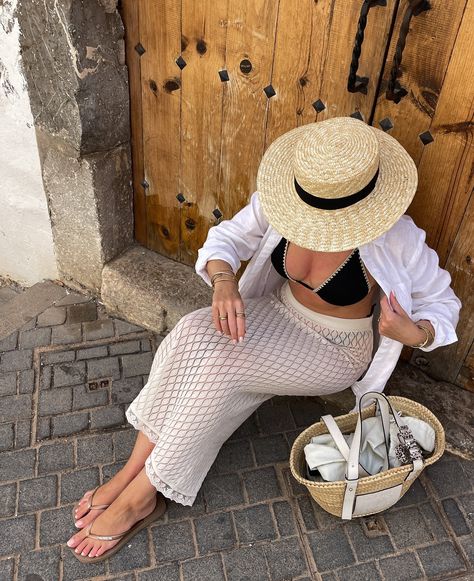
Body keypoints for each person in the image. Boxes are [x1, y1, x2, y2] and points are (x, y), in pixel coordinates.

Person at [66, 116, 461, 562]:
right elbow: (227, 238)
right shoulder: (288, 198)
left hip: (334, 346)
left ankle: (143, 495)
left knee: (221, 367)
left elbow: (443, 304)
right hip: (276, 311)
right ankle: (128, 474)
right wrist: (222, 281)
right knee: (191, 332)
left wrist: (415, 333)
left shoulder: (396, 236)